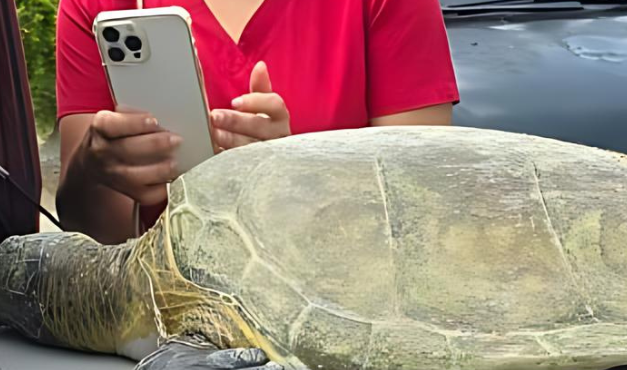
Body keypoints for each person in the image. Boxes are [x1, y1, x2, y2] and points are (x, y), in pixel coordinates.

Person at [54, 0, 460, 244]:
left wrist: (293, 181)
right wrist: (97, 170)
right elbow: (90, 236)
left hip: (341, 324)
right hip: (168, 331)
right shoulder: (95, 7)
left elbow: (421, 213)